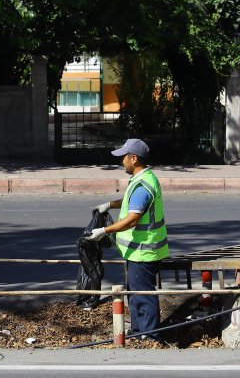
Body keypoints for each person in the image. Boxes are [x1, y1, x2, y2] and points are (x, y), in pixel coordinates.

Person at [86, 138, 168, 339]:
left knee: (143, 294)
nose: (121, 160)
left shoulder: (142, 185)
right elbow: (131, 203)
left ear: (134, 158)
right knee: (136, 292)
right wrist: (110, 204)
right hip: (138, 250)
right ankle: (139, 332)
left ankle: (150, 336)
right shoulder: (144, 179)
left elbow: (132, 220)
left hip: (143, 251)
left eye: (124, 157)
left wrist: (103, 231)